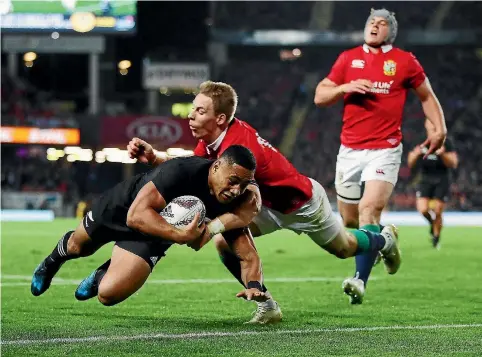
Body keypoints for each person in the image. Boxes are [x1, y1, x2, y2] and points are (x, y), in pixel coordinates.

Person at [117, 80, 401, 324]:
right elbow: (189, 172)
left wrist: (209, 228)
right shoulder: (212, 142)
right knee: (224, 243)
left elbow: (245, 206)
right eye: (193, 109)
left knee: (345, 248)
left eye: (200, 111)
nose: (190, 116)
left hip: (301, 203)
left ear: (220, 119)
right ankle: (267, 305)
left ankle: (383, 240)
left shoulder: (239, 149)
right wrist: (155, 158)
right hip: (268, 208)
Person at [314, 8, 447, 304]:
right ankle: (387, 240)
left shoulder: (403, 61)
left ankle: (359, 281)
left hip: (385, 149)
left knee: (368, 210)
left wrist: (440, 128)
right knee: (349, 224)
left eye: (382, 22)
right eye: (371, 21)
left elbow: (427, 96)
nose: (375, 25)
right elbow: (320, 96)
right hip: (349, 150)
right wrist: (346, 86)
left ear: (391, 31)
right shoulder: (348, 59)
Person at [31, 146, 269, 309]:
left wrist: (254, 286)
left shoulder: (234, 202)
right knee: (77, 247)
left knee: (108, 295)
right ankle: (51, 261)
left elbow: (248, 255)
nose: (235, 190)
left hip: (155, 233)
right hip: (122, 209)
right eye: (233, 181)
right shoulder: (180, 171)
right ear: (216, 167)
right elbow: (136, 216)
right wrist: (179, 235)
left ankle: (102, 274)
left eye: (244, 185)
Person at [408, 119, 458, 248]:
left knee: (438, 210)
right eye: (429, 123)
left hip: (442, 178)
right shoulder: (421, 140)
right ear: (426, 125)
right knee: (423, 209)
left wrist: (443, 154)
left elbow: (453, 163)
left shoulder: (446, 141)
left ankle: (436, 238)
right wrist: (416, 154)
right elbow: (410, 163)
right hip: (425, 178)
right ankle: (432, 224)